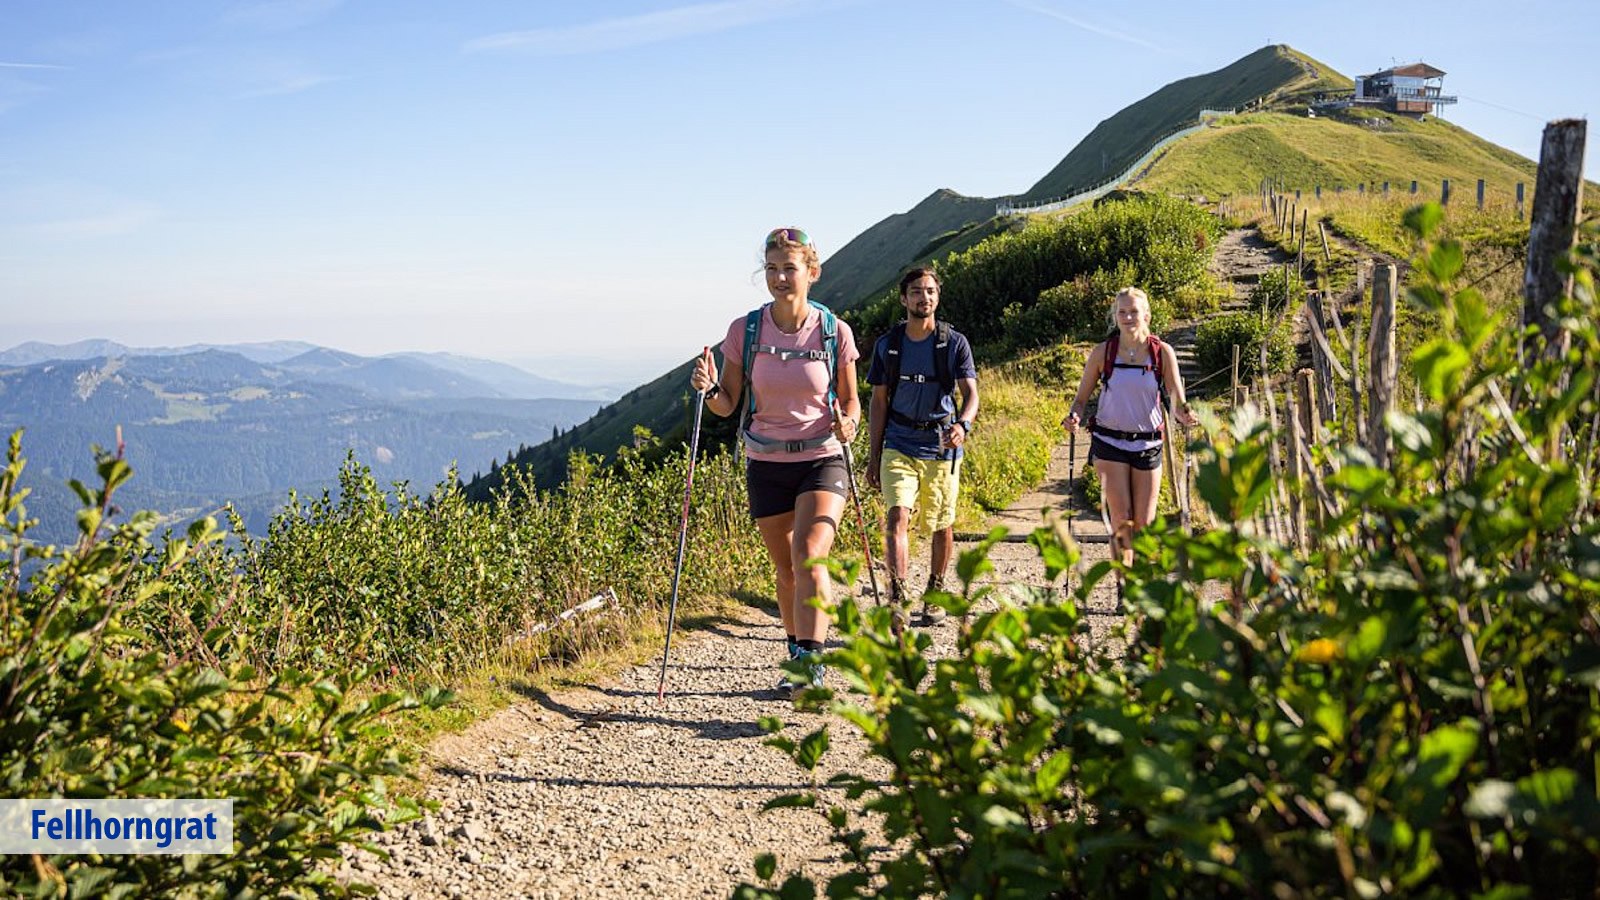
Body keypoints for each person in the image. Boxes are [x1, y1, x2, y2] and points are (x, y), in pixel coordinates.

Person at [689, 227, 861, 698]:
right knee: (786, 570)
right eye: (772, 269)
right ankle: (796, 651)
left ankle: (811, 664)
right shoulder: (744, 331)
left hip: (822, 459)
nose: (780, 277)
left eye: (790, 268)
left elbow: (852, 401)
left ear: (812, 272)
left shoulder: (834, 332)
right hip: (765, 460)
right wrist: (707, 388)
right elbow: (727, 404)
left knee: (810, 553)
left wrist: (848, 423)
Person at [866, 267, 978, 634]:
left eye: (929, 291)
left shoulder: (954, 342)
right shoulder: (889, 345)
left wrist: (962, 425)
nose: (923, 298)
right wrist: (874, 455)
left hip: (941, 445)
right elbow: (878, 403)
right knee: (898, 516)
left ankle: (936, 588)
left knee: (941, 525)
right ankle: (897, 596)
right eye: (916, 292)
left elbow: (971, 394)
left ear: (937, 297)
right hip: (899, 442)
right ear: (904, 299)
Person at [1062, 287, 1197, 567]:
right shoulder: (1103, 353)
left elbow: (1176, 399)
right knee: (1122, 521)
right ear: (1115, 317)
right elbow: (1081, 399)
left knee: (1144, 525)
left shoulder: (1162, 353)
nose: (1127, 317)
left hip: (1148, 445)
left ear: (1146, 315)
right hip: (1109, 444)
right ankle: (1125, 589)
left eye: (1133, 311)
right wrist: (1073, 416)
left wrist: (1186, 415)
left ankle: (1140, 587)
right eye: (1122, 312)